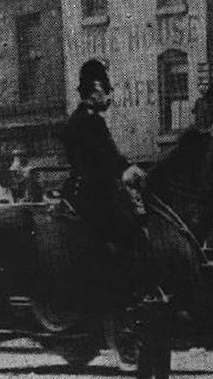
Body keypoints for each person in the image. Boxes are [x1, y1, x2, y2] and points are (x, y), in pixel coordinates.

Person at [60, 59, 160, 303]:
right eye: (107, 91)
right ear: (95, 91)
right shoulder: (91, 121)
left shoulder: (76, 119)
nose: (109, 97)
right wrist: (128, 170)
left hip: (80, 190)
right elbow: (107, 158)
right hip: (94, 192)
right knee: (130, 229)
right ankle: (132, 289)